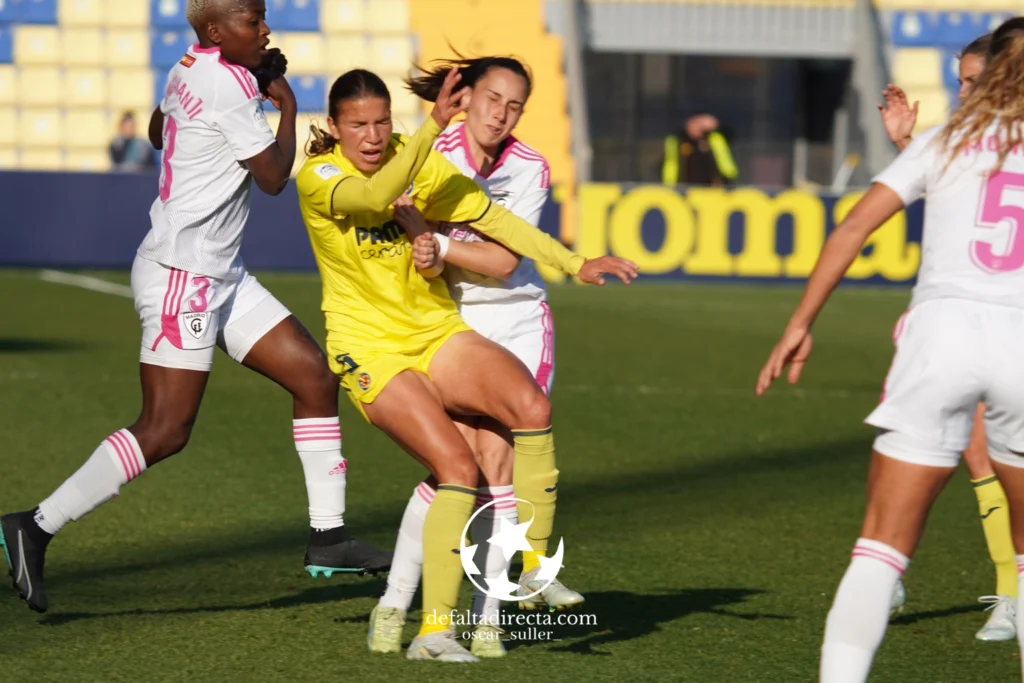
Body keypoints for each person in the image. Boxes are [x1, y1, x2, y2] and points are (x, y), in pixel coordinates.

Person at [0, 0, 391, 614]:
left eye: (263, 16)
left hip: (219, 274)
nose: (264, 28)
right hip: (185, 276)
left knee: (314, 376)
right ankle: (36, 525)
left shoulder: (190, 63)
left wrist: (252, 83)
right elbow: (272, 176)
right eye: (252, 20)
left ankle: (328, 535)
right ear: (216, 30)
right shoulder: (227, 80)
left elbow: (159, 132)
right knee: (165, 430)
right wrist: (284, 102)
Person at [295, 68, 637, 662]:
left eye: (381, 121)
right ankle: (432, 632)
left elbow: (494, 220)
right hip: (370, 347)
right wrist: (433, 126)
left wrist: (573, 261)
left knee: (532, 407)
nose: (373, 136)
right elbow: (377, 199)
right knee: (457, 468)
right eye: (358, 125)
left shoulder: (415, 157)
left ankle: (529, 565)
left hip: (436, 331)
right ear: (334, 128)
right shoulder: (320, 176)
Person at [756, 17, 1024, 682]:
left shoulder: (945, 140)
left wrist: (800, 320)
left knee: (880, 549)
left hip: (940, 339)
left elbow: (853, 224)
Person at [362, 54, 583, 659]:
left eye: (515, 105)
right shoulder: (430, 153)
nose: (501, 114)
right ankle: (398, 605)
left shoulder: (530, 167)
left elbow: (506, 261)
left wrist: (435, 242)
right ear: (467, 97)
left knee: (497, 465)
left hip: (514, 322)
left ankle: (484, 623)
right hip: (450, 325)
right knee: (454, 470)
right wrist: (429, 246)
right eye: (493, 99)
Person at [876, 32, 1016, 642]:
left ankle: (1005, 592)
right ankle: (893, 568)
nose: (961, 92)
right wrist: (907, 143)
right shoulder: (968, 140)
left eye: (969, 80)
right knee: (969, 451)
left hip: (1001, 320)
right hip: (959, 320)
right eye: (958, 80)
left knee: (986, 454)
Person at [661, 113, 737, 187]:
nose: (699, 129)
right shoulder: (677, 140)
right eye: (697, 124)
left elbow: (725, 164)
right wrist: (670, 186)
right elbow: (670, 165)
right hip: (682, 190)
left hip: (712, 191)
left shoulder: (714, 139)